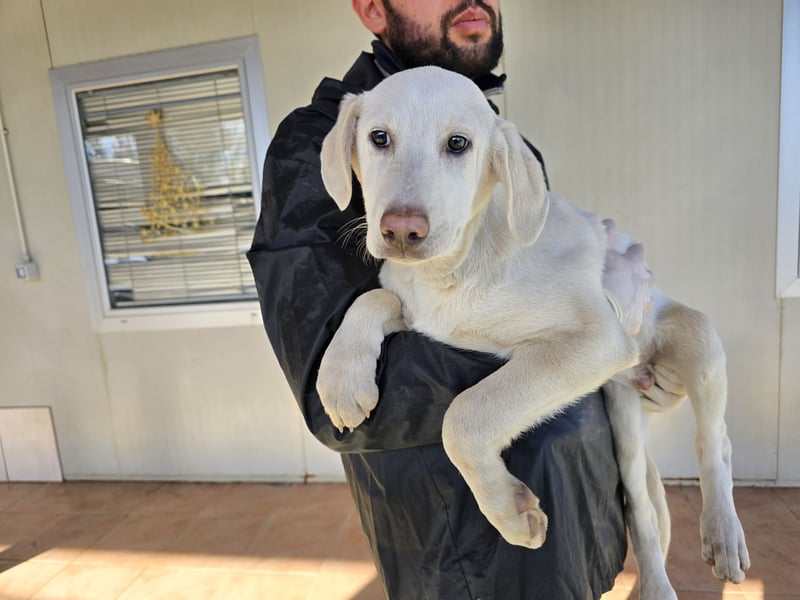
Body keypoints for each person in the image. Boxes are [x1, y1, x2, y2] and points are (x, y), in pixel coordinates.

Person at [248, 1, 652, 598]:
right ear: (370, 8)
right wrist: (568, 346)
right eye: (382, 142)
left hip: (578, 513)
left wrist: (617, 331)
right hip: (466, 558)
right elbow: (329, 395)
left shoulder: (498, 136)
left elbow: (542, 307)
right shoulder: (313, 144)